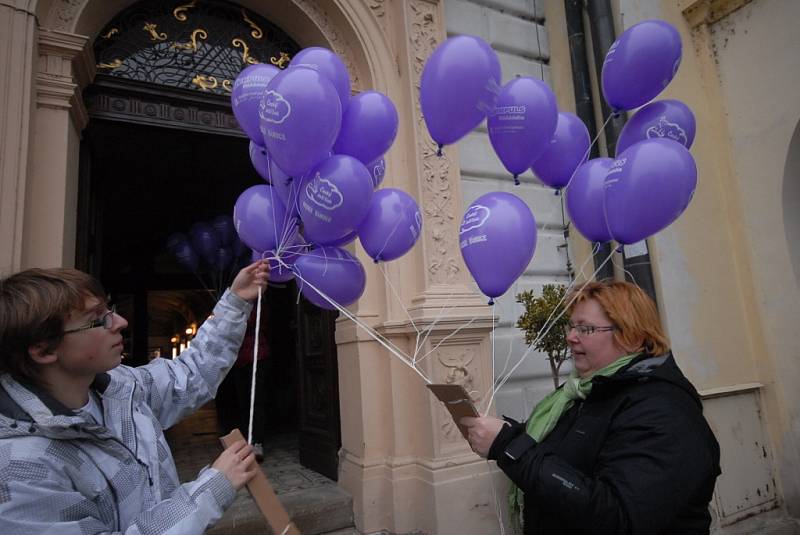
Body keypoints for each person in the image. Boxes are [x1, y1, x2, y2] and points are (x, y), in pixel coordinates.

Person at [0, 260, 269, 534]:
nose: (120, 322)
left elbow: (190, 374)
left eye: (110, 310)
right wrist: (212, 488)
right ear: (44, 350)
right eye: (99, 318)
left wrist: (235, 302)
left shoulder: (121, 387)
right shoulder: (17, 469)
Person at [462, 280, 721, 535]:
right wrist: (509, 434)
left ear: (631, 335)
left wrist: (510, 447)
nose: (570, 337)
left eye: (585, 329)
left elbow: (617, 517)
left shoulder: (664, 410)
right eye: (571, 326)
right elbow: (570, 453)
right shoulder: (587, 392)